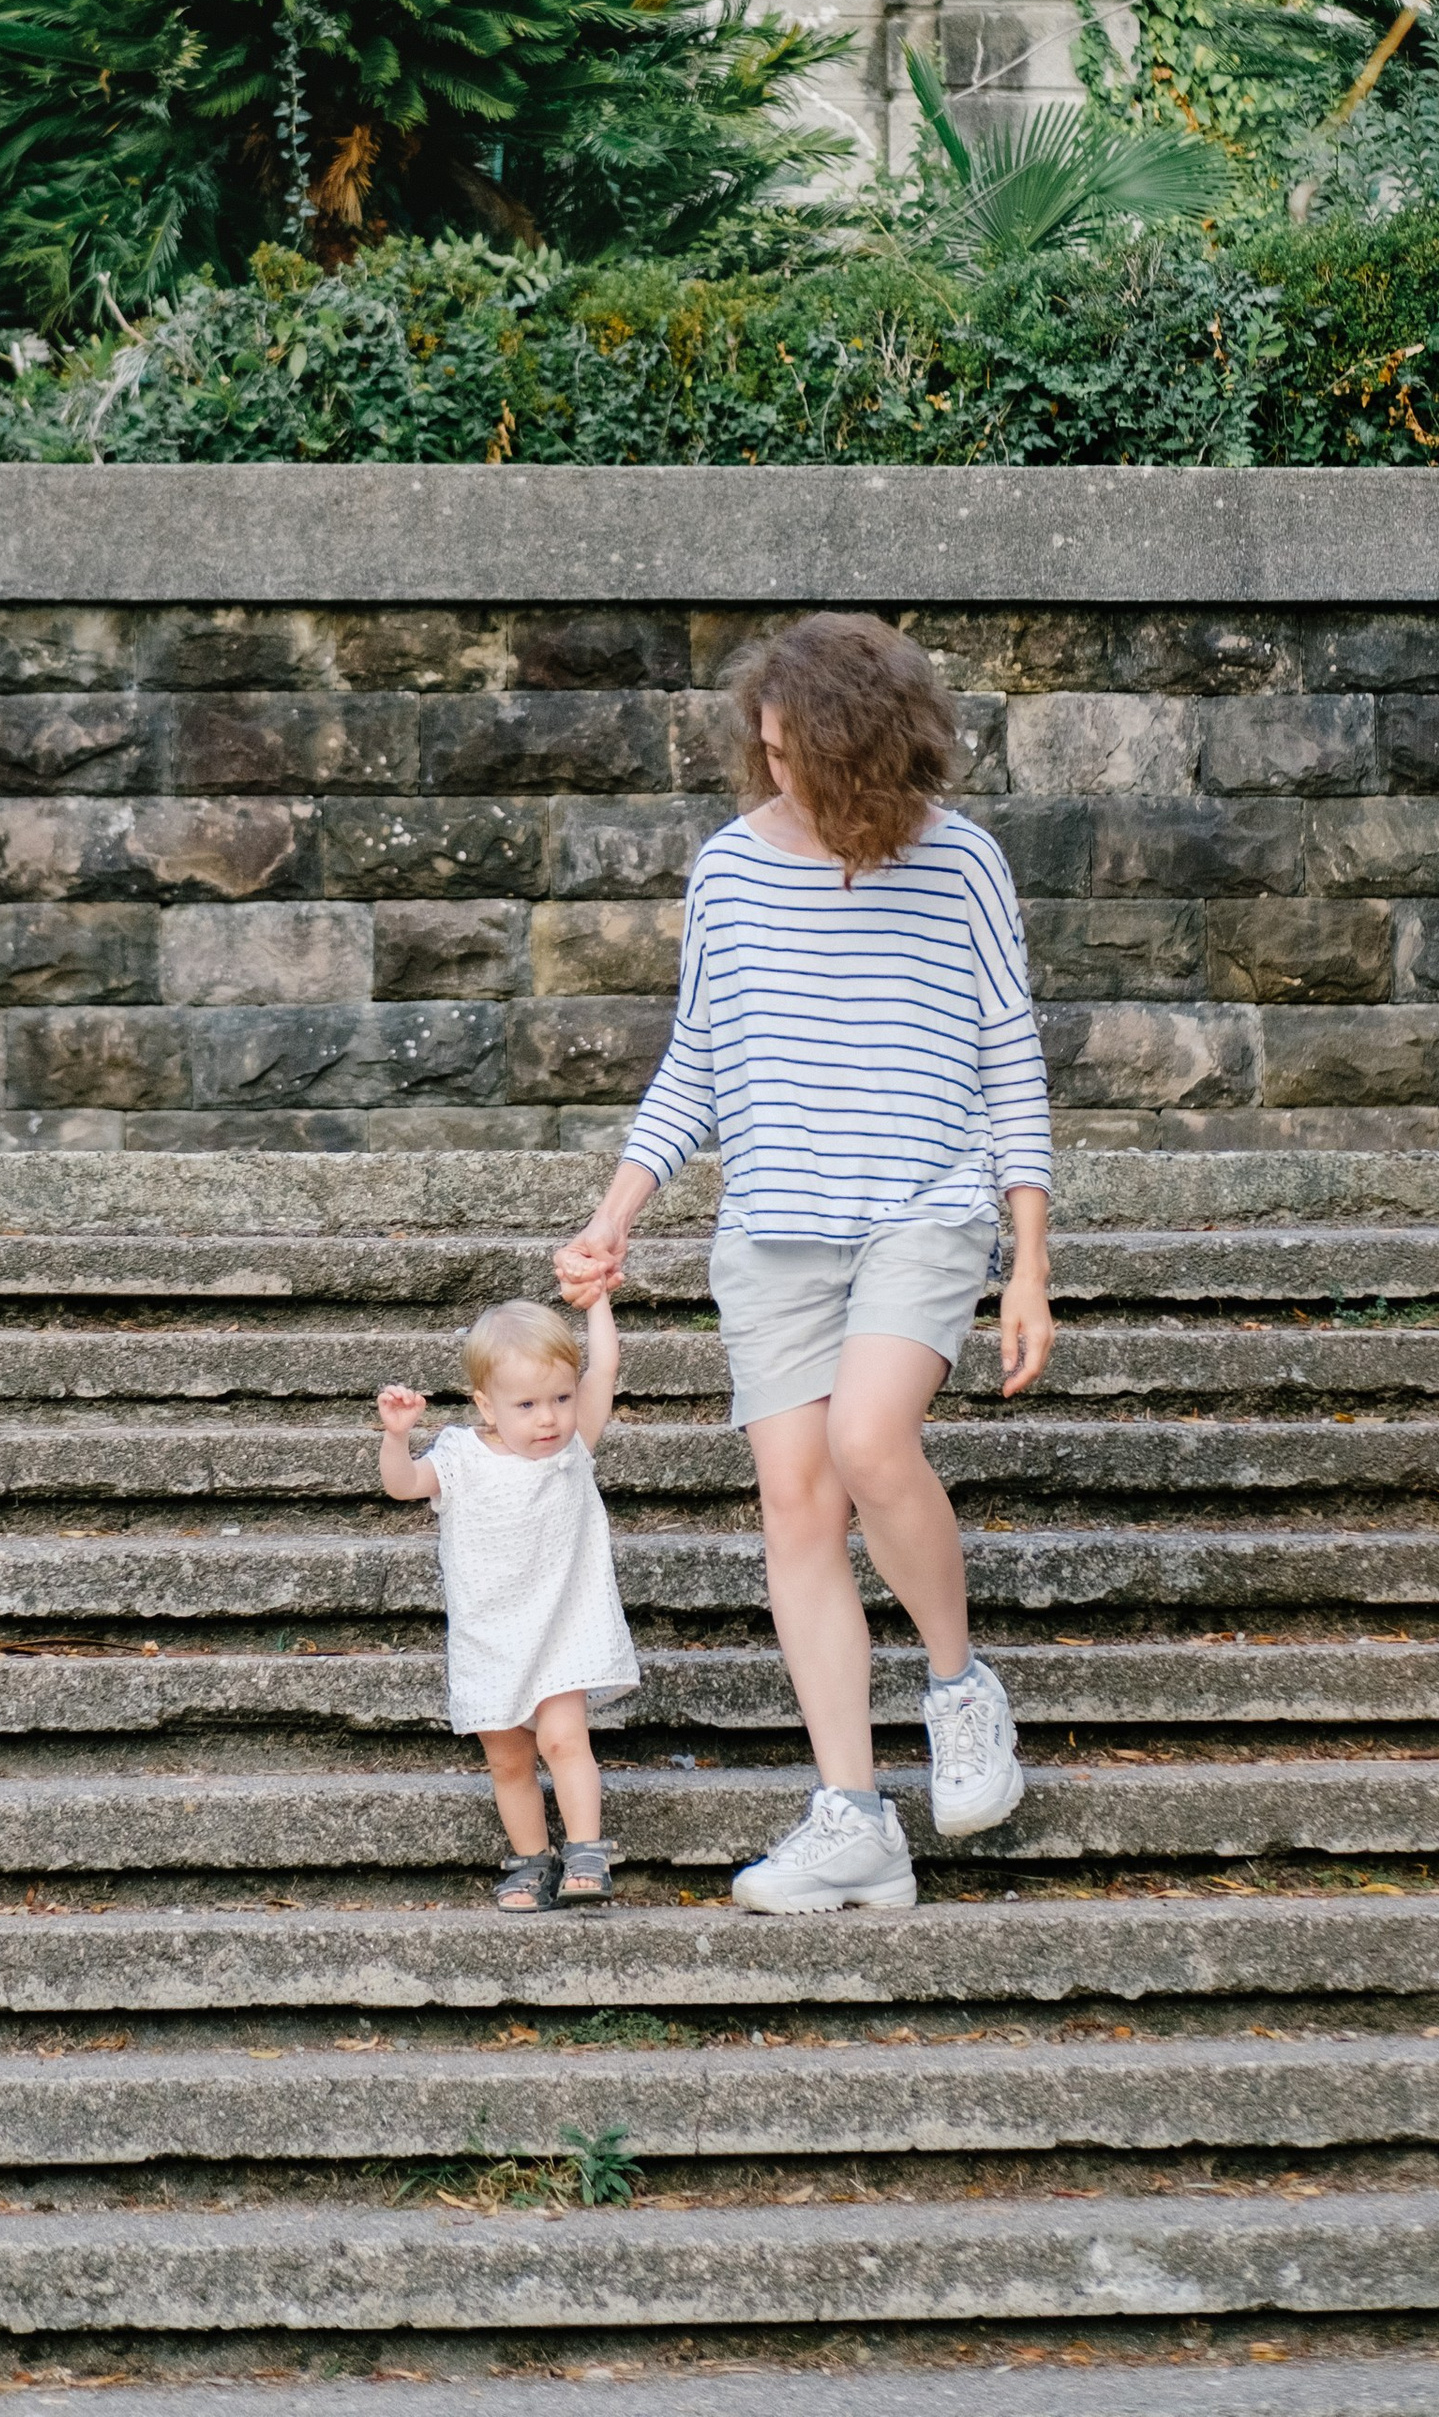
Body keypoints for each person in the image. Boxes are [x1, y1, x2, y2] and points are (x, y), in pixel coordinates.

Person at [555, 612, 1054, 1914]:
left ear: (868, 749)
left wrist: (1030, 1258)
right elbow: (697, 1060)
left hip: (922, 1209)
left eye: (800, 753)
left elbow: (1009, 1057)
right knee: (796, 1505)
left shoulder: (961, 862)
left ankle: (959, 1691)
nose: (777, 771)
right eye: (765, 748)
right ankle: (854, 1819)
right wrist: (617, 1212)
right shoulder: (730, 869)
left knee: (871, 1441)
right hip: (776, 1231)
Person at [376, 1294, 638, 1912]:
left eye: (561, 1398)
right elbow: (403, 1485)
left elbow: (603, 1368)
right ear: (487, 1405)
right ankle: (531, 1860)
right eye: (526, 1405)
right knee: (509, 1760)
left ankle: (586, 1851)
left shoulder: (572, 1449)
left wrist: (598, 1299)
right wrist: (397, 1437)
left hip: (562, 1628)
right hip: (489, 1636)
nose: (549, 1418)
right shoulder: (461, 1457)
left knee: (564, 1739)